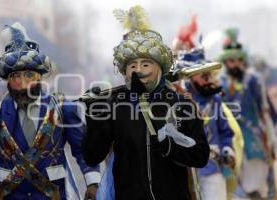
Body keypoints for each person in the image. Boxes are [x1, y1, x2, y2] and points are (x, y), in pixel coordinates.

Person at [82, 6, 209, 200]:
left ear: (159, 68)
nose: (138, 70)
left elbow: (200, 156)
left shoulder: (181, 104)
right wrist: (94, 117)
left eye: (146, 64)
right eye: (132, 65)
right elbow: (92, 156)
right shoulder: (115, 106)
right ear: (125, 71)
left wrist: (169, 147)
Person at [0, 22, 100, 200]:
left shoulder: (64, 108)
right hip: (9, 195)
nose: (22, 83)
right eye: (15, 76)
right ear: (7, 80)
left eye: (28, 75)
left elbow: (82, 151)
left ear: (39, 77)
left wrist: (93, 183)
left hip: (53, 194)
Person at [219, 28, 275, 199]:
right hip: (230, 138)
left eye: (238, 60)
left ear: (243, 61)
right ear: (226, 62)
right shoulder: (219, 83)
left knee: (255, 182)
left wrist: (271, 137)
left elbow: (264, 110)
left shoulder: (254, 80)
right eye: (231, 61)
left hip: (252, 137)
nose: (235, 64)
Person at [180, 48, 243, 200]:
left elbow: (226, 132)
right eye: (204, 76)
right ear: (191, 77)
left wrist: (228, 150)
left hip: (213, 170)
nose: (210, 80)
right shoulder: (178, 101)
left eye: (210, 75)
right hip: (186, 172)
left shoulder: (215, 100)